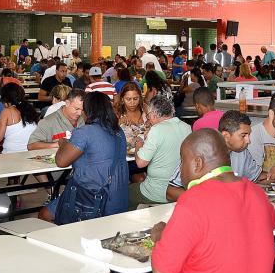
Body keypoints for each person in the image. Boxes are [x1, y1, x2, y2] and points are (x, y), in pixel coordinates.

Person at [104, 129, 275, 273]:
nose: (181, 170)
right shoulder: (256, 193)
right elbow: (255, 223)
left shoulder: (193, 202)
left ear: (197, 163)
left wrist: (159, 236)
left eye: (181, 161)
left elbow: (161, 272)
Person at [38, 92, 128, 222]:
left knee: (44, 214)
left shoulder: (85, 132)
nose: (81, 113)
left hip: (90, 197)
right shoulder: (119, 131)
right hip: (117, 196)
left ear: (88, 111)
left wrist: (62, 143)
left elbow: (61, 162)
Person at [129, 95, 191, 209]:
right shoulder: (186, 127)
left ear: (153, 115)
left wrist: (139, 142)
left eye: (148, 116)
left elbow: (140, 163)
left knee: (127, 192)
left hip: (158, 190)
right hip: (179, 186)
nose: (148, 120)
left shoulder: (156, 130)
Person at [0, 83, 39, 153]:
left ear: (5, 98)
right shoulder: (30, 110)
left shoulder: (7, 112)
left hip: (11, 155)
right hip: (31, 154)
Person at [116, 82, 149, 154]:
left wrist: (151, 122)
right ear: (122, 99)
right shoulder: (117, 113)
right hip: (125, 158)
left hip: (146, 156)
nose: (132, 103)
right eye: (128, 99)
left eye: (135, 99)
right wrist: (118, 123)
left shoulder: (145, 109)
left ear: (140, 98)